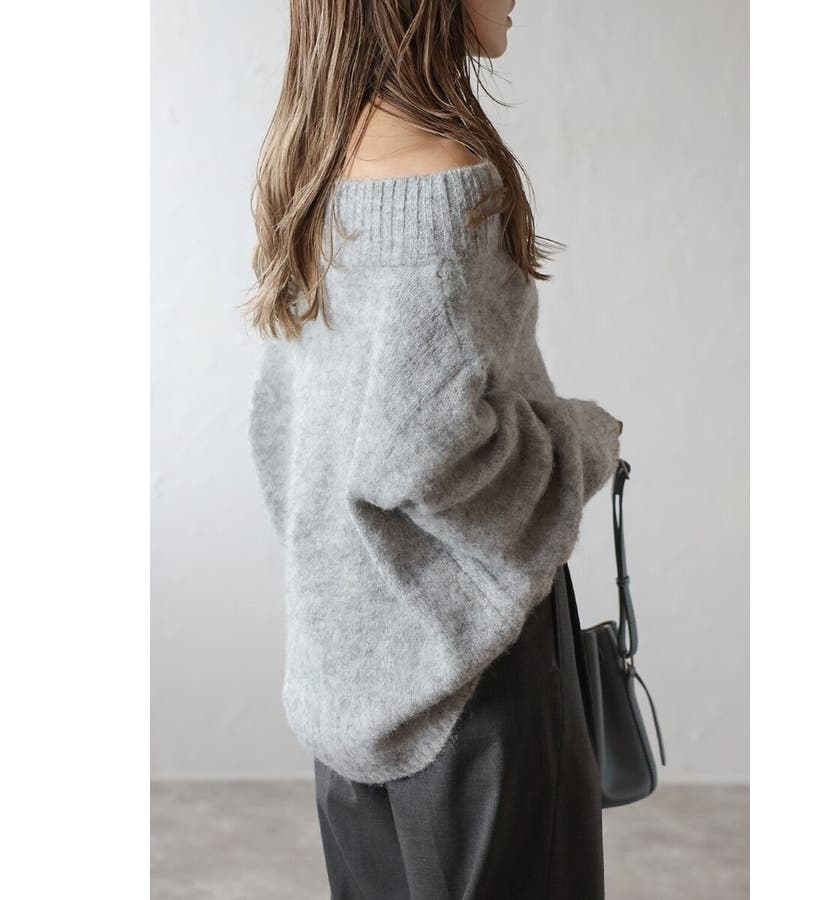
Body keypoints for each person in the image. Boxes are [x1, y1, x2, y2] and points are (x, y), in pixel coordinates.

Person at [247, 2, 622, 897]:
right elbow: (432, 452)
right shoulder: (448, 180)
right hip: (473, 666)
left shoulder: (311, 167)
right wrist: (586, 440)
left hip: (348, 657)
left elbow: (281, 429)